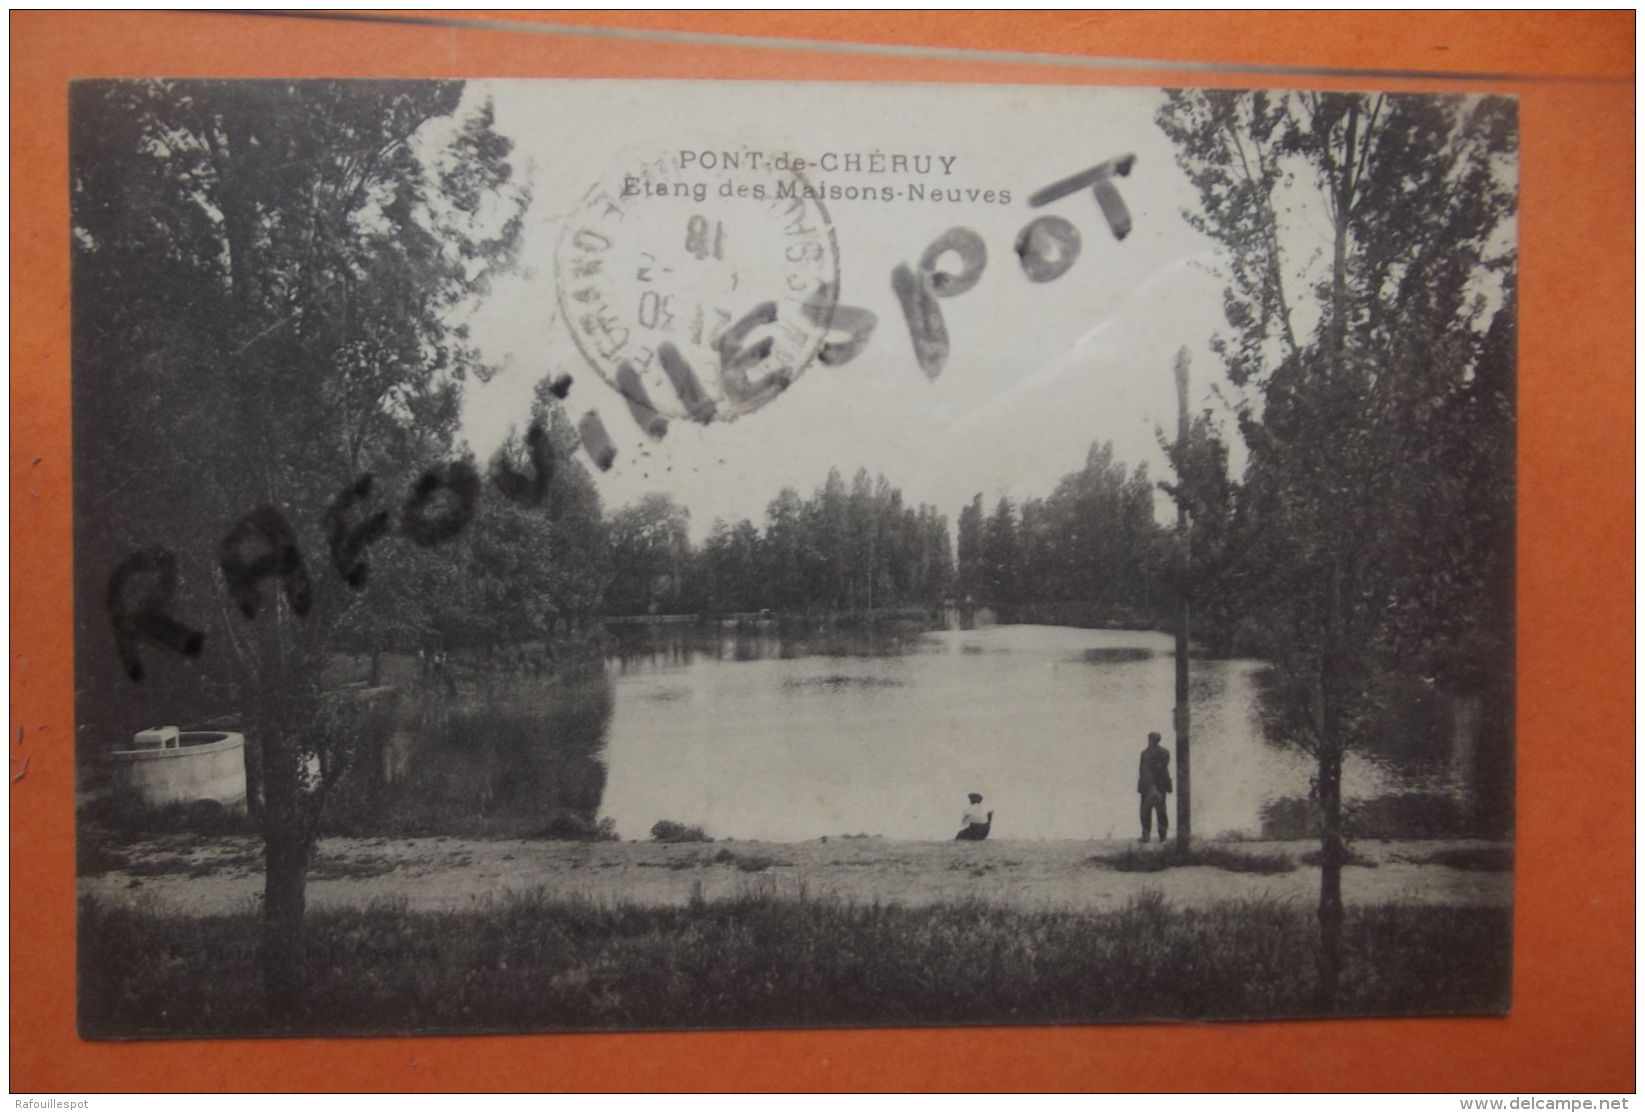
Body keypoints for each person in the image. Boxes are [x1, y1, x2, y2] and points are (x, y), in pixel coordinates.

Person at [1138, 730, 1172, 843]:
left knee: (1145, 811)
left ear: (1151, 740)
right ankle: (1162, 836)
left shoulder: (1145, 754)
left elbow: (1143, 771)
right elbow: (1163, 768)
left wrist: (1149, 785)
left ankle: (1146, 835)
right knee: (1161, 811)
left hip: (1148, 786)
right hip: (1161, 785)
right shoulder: (1165, 752)